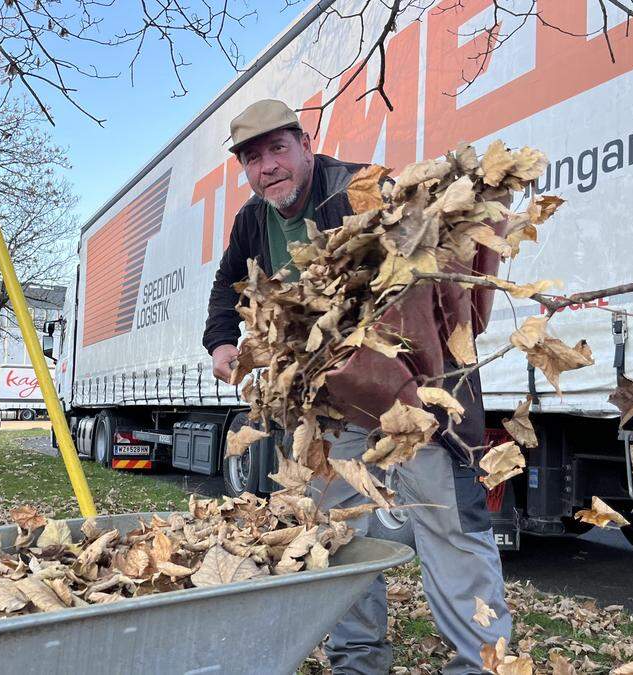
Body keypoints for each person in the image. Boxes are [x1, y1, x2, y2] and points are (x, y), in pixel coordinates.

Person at [202, 98, 512, 674]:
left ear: (304, 143)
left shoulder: (359, 188)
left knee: (449, 524)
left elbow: (428, 263)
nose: (267, 166)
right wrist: (222, 341)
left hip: (417, 394)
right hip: (332, 407)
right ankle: (359, 660)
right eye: (252, 158)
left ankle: (482, 662)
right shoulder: (252, 221)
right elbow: (227, 287)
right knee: (336, 530)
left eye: (277, 149)